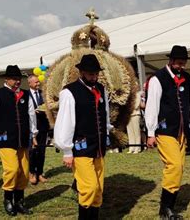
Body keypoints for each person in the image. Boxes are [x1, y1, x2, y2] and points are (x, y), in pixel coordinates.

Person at [145, 45, 190, 219]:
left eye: (184, 63)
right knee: (174, 165)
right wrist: (150, 132)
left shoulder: (187, 78)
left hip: (181, 130)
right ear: (171, 60)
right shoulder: (158, 79)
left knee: (179, 167)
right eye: (179, 63)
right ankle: (165, 208)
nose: (181, 66)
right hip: (165, 129)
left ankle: (168, 208)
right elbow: (152, 106)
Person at [54, 54, 112, 219]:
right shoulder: (69, 92)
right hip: (81, 147)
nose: (94, 77)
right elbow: (65, 122)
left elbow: (105, 115)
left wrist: (106, 133)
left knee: (99, 188)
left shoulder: (101, 89)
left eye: (96, 74)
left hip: (98, 147)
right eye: (90, 74)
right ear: (82, 73)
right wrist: (66, 151)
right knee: (89, 188)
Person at [0, 65, 38, 216]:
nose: (17, 82)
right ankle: (8, 199)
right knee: (12, 169)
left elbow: (31, 116)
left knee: (24, 172)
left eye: (19, 79)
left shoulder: (26, 95)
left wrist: (33, 134)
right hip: (5, 138)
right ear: (6, 79)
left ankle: (19, 201)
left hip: (23, 138)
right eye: (14, 79)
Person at [28, 75, 51, 185]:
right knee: (32, 151)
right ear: (30, 83)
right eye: (36, 82)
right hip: (31, 127)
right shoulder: (26, 95)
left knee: (41, 151)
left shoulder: (43, 94)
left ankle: (40, 173)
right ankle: (31, 172)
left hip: (43, 127)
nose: (38, 84)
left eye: (38, 82)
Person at [126, 87, 144, 154]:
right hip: (128, 115)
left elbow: (136, 105)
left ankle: (138, 148)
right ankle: (131, 147)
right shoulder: (127, 95)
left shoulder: (137, 95)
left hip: (135, 114)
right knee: (130, 132)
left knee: (136, 132)